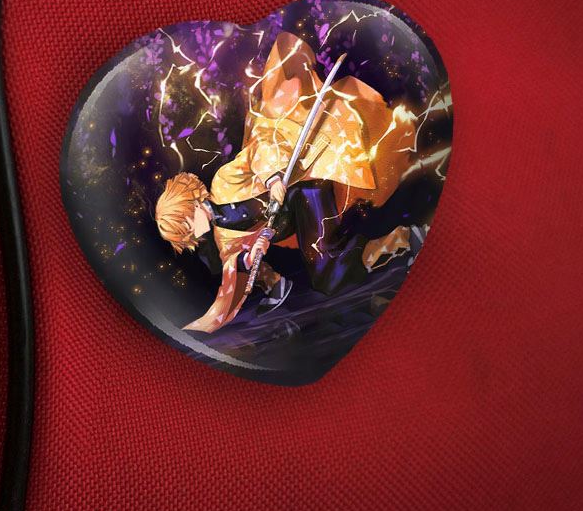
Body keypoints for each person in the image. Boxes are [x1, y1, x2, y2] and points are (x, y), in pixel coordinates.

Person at [155, 31, 415, 333]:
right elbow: (232, 274)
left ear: (193, 202)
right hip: (296, 219)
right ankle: (393, 246)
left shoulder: (223, 183)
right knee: (324, 272)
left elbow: (257, 152)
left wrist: (273, 177)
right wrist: (251, 256)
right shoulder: (224, 236)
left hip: (306, 189)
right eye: (186, 233)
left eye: (186, 223)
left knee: (324, 262)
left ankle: (392, 251)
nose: (192, 233)